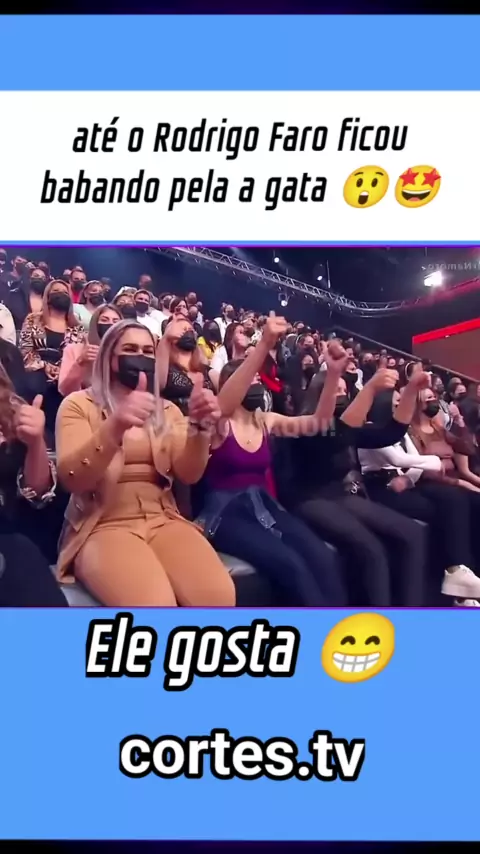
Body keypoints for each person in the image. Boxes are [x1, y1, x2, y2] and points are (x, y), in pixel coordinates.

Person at [55, 319, 235, 607]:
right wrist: (115, 426)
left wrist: (200, 429)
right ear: (110, 358)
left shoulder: (167, 409)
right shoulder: (78, 405)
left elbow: (189, 474)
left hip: (163, 518)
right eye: (130, 349)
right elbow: (72, 478)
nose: (140, 356)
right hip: (102, 524)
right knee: (156, 606)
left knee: (219, 597)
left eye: (148, 351)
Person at [197, 323, 350, 606]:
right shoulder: (217, 422)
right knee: (290, 565)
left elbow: (318, 423)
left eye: (258, 379)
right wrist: (263, 345)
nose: (257, 384)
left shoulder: (265, 420)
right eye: (251, 379)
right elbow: (224, 403)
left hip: (265, 507)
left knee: (322, 556)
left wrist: (333, 375)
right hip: (226, 515)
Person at [279, 367, 431, 607]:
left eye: (344, 390)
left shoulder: (344, 427)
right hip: (307, 498)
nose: (342, 394)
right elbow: (335, 438)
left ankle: (410, 613)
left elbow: (390, 433)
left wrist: (411, 390)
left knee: (413, 533)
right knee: (371, 549)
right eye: (336, 390)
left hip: (338, 495)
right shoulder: (302, 425)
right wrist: (370, 389)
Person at [359, 388, 480, 605]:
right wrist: (433, 461)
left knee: (453, 504)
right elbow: (398, 459)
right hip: (381, 487)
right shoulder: (370, 429)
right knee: (444, 508)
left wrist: (409, 478)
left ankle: (460, 574)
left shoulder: (399, 429)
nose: (400, 406)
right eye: (396, 402)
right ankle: (452, 577)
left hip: (404, 482)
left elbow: (414, 463)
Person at [0, 364, 66, 606]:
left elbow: (37, 491)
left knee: (22, 553)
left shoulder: (13, 410)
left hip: (12, 533)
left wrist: (35, 441)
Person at [19, 280, 85, 442]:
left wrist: (61, 369)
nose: (60, 294)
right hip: (36, 366)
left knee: (63, 389)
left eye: (64, 292)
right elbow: (25, 349)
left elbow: (77, 355)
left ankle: (58, 439)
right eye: (56, 291)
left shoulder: (77, 327)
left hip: (65, 369)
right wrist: (44, 366)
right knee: (35, 384)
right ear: (47, 296)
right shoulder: (33, 319)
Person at [59, 304, 123, 396]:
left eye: (115, 321)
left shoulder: (124, 353)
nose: (110, 324)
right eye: (104, 320)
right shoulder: (73, 350)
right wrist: (81, 362)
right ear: (94, 324)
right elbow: (65, 390)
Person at [162, 318, 219, 415]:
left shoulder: (207, 371)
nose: (188, 332)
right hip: (176, 421)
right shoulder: (165, 369)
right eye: (183, 330)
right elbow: (158, 383)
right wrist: (165, 339)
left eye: (190, 330)